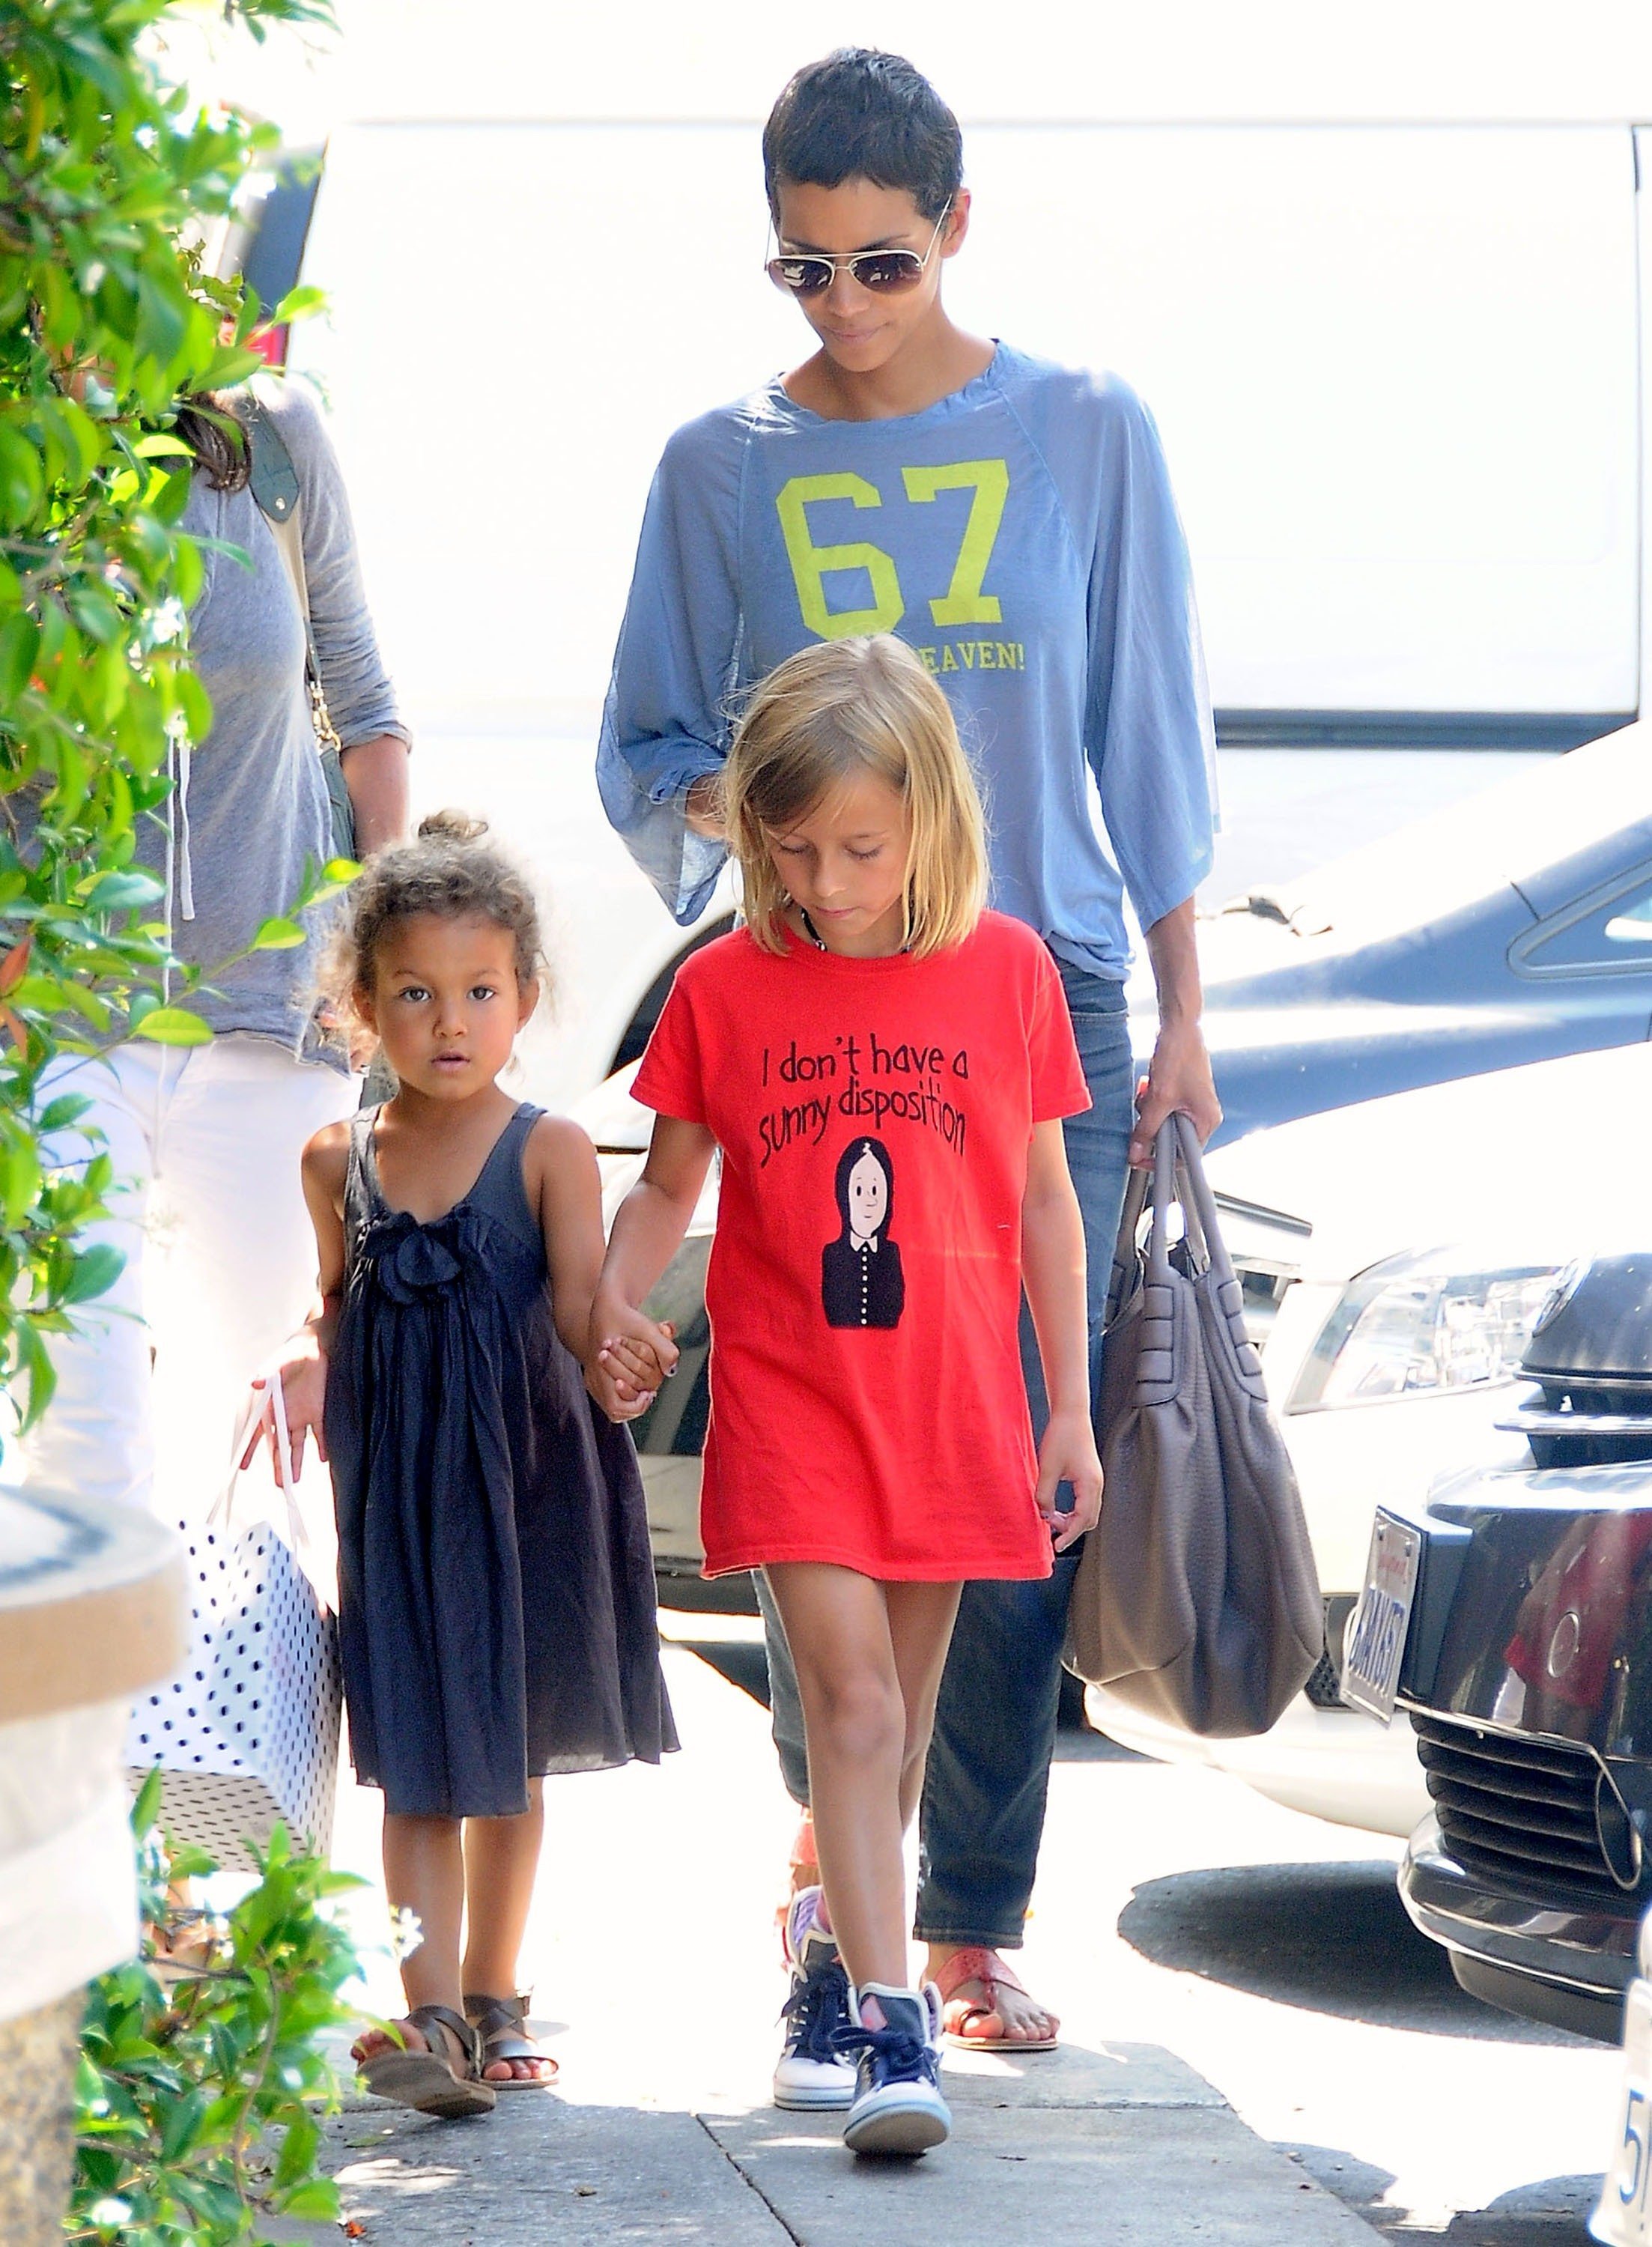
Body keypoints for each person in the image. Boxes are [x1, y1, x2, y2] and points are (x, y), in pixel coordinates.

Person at [596, 46, 1221, 2058]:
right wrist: (791, 826)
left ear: (955, 226)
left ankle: (964, 1924)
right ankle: (836, 1845)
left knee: (1013, 1476)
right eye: (802, 269)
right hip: (810, 1009)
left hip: (1040, 991)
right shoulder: (719, 464)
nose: (843, 305)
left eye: (880, 262)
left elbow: (1145, 726)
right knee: (811, 1443)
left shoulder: (1081, 429)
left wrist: (1181, 1007)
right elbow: (646, 743)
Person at [589, 636, 1102, 2156]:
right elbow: (665, 1184)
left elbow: (1048, 1204)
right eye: (795, 850)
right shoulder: (723, 987)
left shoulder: (1009, 972)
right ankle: (892, 2026)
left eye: (860, 849)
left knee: (904, 1726)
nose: (825, 882)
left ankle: (824, 1956)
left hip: (952, 1409)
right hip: (792, 1402)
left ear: (931, 817)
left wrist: (1066, 1410)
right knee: (855, 1711)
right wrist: (608, 1301)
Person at [14, 375, 410, 1789]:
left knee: (286, 1434)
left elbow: (366, 706)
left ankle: (264, 1832)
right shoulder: (21, 456)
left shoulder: (272, 441)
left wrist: (376, 945)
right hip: (64, 1020)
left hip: (271, 1016)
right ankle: (85, 1826)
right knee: (83, 1430)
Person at [269, 813, 677, 2117]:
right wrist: (302, 1356)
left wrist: (620, 1346)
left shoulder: (549, 1150)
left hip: (525, 1491)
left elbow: (580, 1308)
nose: (450, 1021)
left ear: (525, 1001)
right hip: (397, 1506)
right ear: (361, 1007)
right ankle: (428, 2014)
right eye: (415, 994)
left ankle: (496, 1996)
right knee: (416, 1757)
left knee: (512, 1754)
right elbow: (330, 1307)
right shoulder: (335, 1160)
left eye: (480, 993)